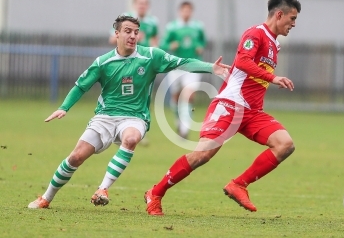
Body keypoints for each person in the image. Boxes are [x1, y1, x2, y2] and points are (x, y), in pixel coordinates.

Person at [28, 15, 229, 209]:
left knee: (131, 138)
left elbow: (182, 62)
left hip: (135, 117)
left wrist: (212, 68)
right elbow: (81, 86)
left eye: (136, 32)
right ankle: (46, 198)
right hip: (105, 117)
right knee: (76, 157)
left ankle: (102, 189)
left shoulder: (151, 56)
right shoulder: (103, 62)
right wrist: (64, 107)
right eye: (127, 31)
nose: (133, 36)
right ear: (116, 34)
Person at [144, 0, 301, 216]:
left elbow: (246, 70)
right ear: (279, 14)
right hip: (230, 105)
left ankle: (239, 184)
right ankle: (155, 193)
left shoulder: (275, 44)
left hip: (253, 112)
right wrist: (273, 78)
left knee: (285, 144)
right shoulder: (255, 33)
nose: (294, 23)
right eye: (292, 18)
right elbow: (244, 61)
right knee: (202, 155)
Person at [109, 0, 159, 146]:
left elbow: (155, 42)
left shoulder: (152, 22)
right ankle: (117, 127)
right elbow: (112, 39)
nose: (142, 6)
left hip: (143, 65)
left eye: (145, 3)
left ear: (148, 6)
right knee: (121, 94)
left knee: (143, 96)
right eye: (139, 3)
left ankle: (137, 129)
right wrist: (132, 38)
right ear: (135, 5)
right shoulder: (125, 20)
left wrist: (152, 48)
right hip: (124, 63)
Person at [161, 1, 207, 139]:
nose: (186, 13)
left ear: (191, 12)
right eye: (184, 10)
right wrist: (171, 45)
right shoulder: (172, 27)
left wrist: (200, 46)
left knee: (189, 95)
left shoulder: (198, 27)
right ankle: (178, 120)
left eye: (189, 11)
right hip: (176, 66)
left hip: (193, 65)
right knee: (176, 96)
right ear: (180, 11)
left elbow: (202, 41)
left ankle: (184, 128)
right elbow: (163, 43)